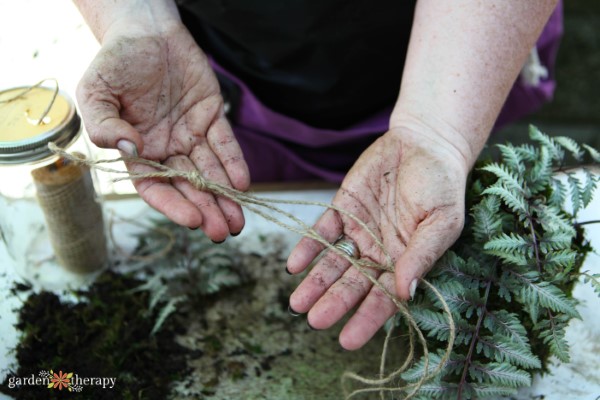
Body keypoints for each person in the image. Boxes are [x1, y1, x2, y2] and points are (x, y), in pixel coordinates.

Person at [73, 0, 562, 351]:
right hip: (217, 77)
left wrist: (440, 132)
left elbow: (446, 127)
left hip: (461, 54)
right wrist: (134, 18)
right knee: (235, 183)